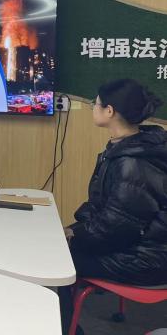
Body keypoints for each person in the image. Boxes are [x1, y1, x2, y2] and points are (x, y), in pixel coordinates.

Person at [60, 78, 167, 333]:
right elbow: (101, 205)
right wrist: (73, 230)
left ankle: (65, 328)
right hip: (135, 245)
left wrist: (74, 238)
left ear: (109, 111)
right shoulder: (127, 146)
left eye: (95, 104)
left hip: (146, 260)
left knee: (57, 261)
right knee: (59, 247)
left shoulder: (133, 163)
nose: (93, 108)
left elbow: (117, 227)